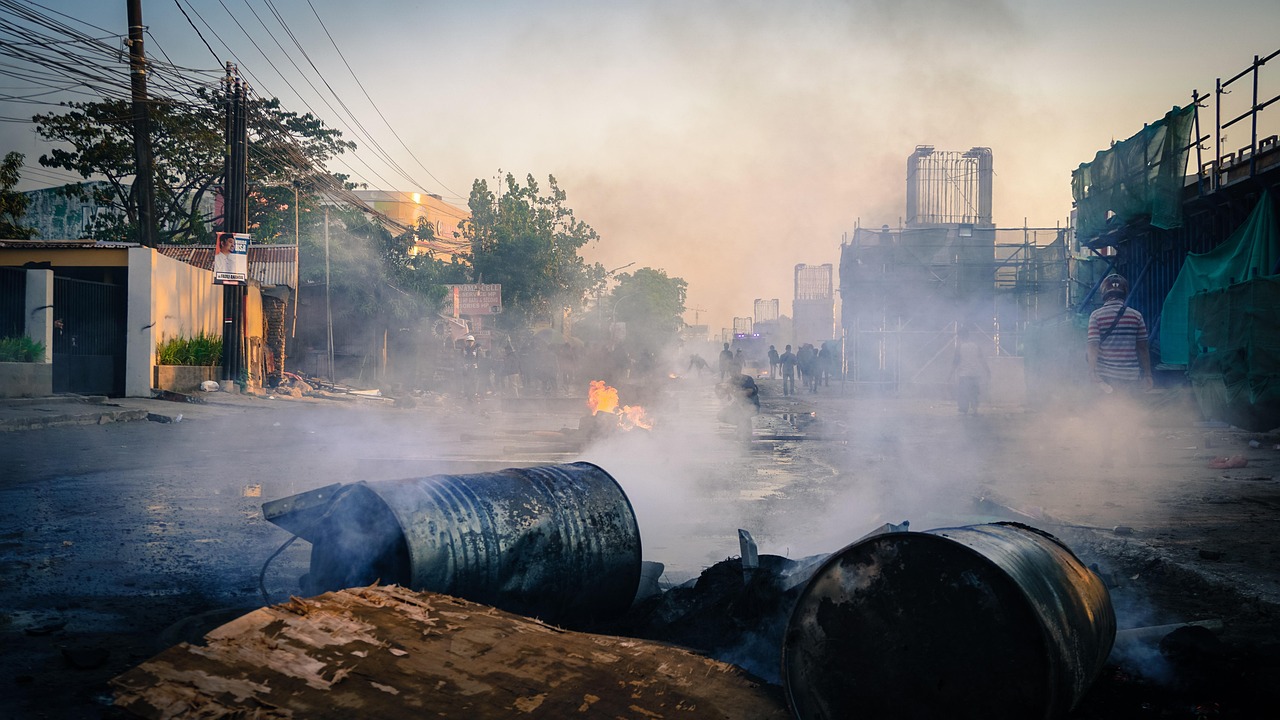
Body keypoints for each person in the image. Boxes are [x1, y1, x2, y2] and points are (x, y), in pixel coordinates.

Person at [1086, 273, 1153, 465]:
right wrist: (1147, 374)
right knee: (1129, 415)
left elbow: (1093, 345)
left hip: (1106, 379)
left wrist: (1092, 372)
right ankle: (1132, 455)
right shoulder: (1136, 315)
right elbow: (1142, 348)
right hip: (1130, 377)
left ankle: (1106, 457)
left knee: (1105, 417)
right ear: (1124, 292)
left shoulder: (1096, 316)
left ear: (1104, 293)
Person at [950, 325, 990, 415]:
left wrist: (949, 375)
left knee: (963, 394)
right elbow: (982, 360)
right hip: (975, 374)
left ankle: (964, 411)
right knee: (974, 393)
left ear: (960, 337)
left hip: (964, 375)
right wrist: (987, 370)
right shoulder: (976, 346)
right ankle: (975, 409)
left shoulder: (959, 348)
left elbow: (955, 363)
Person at [459, 334, 481, 401]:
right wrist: (463, 365)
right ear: (467, 342)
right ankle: (466, 393)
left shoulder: (477, 349)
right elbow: (461, 358)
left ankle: (473, 393)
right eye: (469, 341)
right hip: (466, 367)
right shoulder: (464, 349)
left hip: (474, 367)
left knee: (474, 381)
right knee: (466, 381)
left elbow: (479, 358)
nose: (470, 342)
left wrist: (477, 365)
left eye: (471, 341)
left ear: (473, 342)